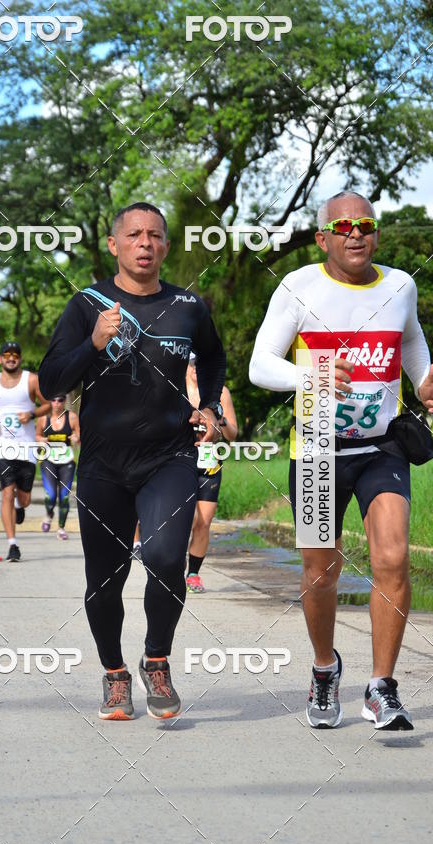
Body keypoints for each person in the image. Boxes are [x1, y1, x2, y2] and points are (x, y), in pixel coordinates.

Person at [249, 190, 433, 730]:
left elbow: (413, 342)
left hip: (382, 447)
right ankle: (325, 669)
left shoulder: (400, 285)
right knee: (319, 572)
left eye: (367, 224)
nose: (357, 233)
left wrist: (425, 380)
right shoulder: (298, 287)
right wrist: (311, 376)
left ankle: (381, 688)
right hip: (315, 448)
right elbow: (261, 364)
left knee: (393, 559)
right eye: (345, 226)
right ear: (322, 237)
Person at [39, 201, 226, 721]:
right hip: (102, 464)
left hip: (169, 456)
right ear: (114, 244)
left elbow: (213, 356)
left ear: (166, 246)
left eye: (156, 236)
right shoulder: (87, 304)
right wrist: (93, 343)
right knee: (106, 577)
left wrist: (208, 406)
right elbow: (53, 379)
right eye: (135, 235)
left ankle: (157, 660)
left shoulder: (188, 306)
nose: (146, 243)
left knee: (167, 558)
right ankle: (115, 674)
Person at [0, 341, 50, 562]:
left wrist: (32, 415)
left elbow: (47, 404)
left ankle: (20, 506)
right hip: (2, 446)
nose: (11, 358)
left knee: (24, 498)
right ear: (0, 358)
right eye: (6, 355)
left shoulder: (32, 379)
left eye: (15, 355)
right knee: (7, 491)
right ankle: (12, 545)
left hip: (26, 448)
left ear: (20, 358)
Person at [185, 353, 238, 593]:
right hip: (181, 460)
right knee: (186, 519)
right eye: (192, 363)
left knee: (204, 521)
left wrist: (220, 420)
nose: (196, 368)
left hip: (209, 462)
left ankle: (193, 573)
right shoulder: (176, 387)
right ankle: (171, 567)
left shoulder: (221, 393)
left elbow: (232, 434)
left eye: (200, 363)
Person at [36, 395, 80, 540]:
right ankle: (49, 514)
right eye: (53, 400)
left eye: (60, 400)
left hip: (67, 461)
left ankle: (61, 528)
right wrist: (41, 440)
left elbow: (79, 435)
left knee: (64, 497)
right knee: (51, 496)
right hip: (48, 461)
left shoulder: (72, 417)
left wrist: (76, 437)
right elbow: (37, 435)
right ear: (49, 402)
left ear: (64, 401)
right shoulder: (43, 418)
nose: (57, 403)